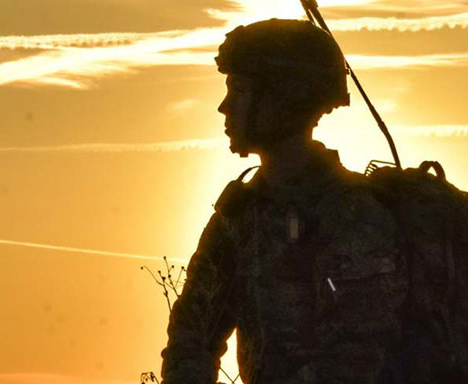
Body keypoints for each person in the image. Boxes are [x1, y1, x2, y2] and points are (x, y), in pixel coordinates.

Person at [160, 18, 407, 384]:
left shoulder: (353, 216)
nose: (224, 108)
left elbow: (356, 357)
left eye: (240, 91)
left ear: (283, 99)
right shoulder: (239, 217)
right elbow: (192, 337)